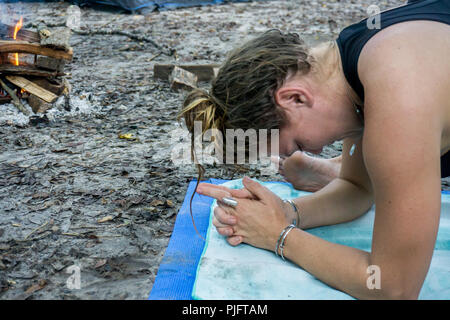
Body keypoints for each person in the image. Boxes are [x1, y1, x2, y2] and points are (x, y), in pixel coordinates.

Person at [179, 0, 450, 299]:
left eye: (298, 145)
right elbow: (357, 188)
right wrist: (287, 213)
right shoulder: (353, 60)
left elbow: (393, 286)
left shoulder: (399, 98)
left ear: (294, 98)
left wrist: (278, 236)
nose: (315, 149)